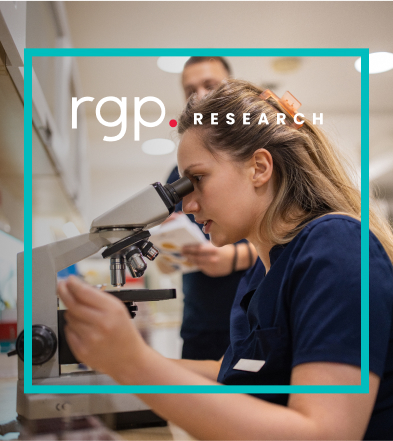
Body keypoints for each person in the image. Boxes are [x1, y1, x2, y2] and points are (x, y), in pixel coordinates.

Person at [58, 79, 393, 440]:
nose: (187, 205)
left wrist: (135, 366)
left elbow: (324, 433)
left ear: (259, 168)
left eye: (197, 179)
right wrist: (116, 359)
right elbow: (233, 370)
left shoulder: (337, 247)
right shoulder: (260, 271)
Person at [158, 56, 258, 360]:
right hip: (200, 327)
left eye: (209, 85)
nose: (199, 95)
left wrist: (232, 258)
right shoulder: (177, 175)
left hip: (250, 320)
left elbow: (283, 233)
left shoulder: (254, 155)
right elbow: (165, 264)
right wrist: (167, 251)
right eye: (190, 89)